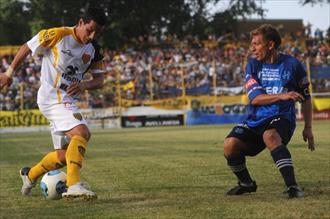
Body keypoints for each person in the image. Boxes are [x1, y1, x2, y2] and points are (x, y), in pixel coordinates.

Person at [0, 7, 107, 200]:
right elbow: (28, 47)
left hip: (65, 100)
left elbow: (100, 81)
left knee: (61, 157)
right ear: (81, 22)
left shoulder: (95, 49)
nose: (91, 36)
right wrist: (9, 73)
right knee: (82, 132)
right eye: (89, 29)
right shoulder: (58, 34)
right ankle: (74, 185)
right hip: (52, 96)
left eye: (97, 32)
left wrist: (84, 85)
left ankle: (29, 175)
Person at [223, 24, 315, 198]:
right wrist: (282, 95)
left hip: (283, 118)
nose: (253, 48)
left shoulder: (293, 65)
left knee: (270, 135)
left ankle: (293, 187)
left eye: (257, 44)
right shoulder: (252, 66)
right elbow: (255, 98)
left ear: (270, 45)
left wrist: (308, 128)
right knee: (229, 145)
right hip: (257, 119)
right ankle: (246, 184)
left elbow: (306, 98)